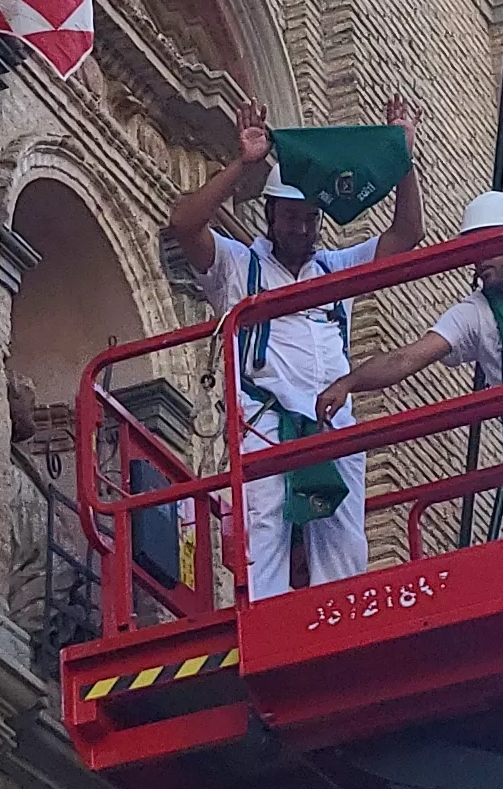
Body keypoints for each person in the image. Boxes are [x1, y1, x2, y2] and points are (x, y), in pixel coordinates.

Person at [165, 96, 425, 597]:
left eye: (311, 219)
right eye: (291, 219)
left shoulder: (334, 268)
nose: (302, 229)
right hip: (264, 422)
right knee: (264, 532)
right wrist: (243, 165)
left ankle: (343, 625)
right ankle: (267, 620)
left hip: (331, 421)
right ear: (270, 216)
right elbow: (184, 224)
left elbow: (406, 235)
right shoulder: (239, 266)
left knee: (343, 538)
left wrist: (402, 156)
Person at [320, 187, 503, 531]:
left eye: (487, 247)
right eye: (473, 251)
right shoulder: (475, 313)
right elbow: (406, 359)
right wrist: (348, 383)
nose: (478, 261)